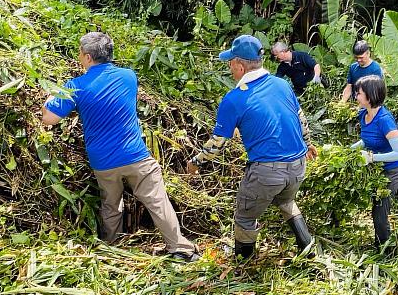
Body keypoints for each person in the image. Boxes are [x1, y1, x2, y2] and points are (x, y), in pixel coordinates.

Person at [41, 32, 199, 261]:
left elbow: (48, 119)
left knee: (110, 204)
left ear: (86, 57)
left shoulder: (76, 86)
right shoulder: (128, 76)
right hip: (135, 156)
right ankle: (180, 249)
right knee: (156, 199)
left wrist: (51, 95)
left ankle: (110, 248)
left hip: (103, 162)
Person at [186, 35, 318, 260]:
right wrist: (308, 143)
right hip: (298, 167)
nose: (229, 68)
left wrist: (196, 162)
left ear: (239, 65)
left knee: (245, 217)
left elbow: (218, 142)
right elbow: (300, 117)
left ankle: (243, 264)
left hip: (267, 172)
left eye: (230, 64)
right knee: (286, 201)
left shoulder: (234, 99)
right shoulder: (282, 85)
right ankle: (309, 251)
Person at [349, 75, 398, 249]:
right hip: (377, 169)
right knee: (375, 207)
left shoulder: (384, 120)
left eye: (359, 93)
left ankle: (387, 250)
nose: (356, 97)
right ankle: (380, 243)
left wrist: (373, 158)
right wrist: (351, 149)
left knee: (380, 212)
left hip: (390, 171)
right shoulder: (364, 115)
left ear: (370, 95)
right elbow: (368, 140)